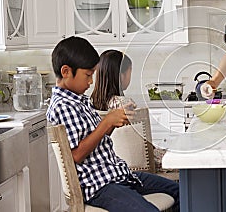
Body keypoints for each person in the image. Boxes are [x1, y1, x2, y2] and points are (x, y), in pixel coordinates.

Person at [46, 37, 179, 212]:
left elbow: (94, 141)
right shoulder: (63, 106)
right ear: (66, 72)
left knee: (180, 191)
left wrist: (111, 124)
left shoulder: (79, 101)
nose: (91, 81)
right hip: (99, 185)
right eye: (87, 75)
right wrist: (107, 121)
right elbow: (76, 155)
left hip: (117, 175)